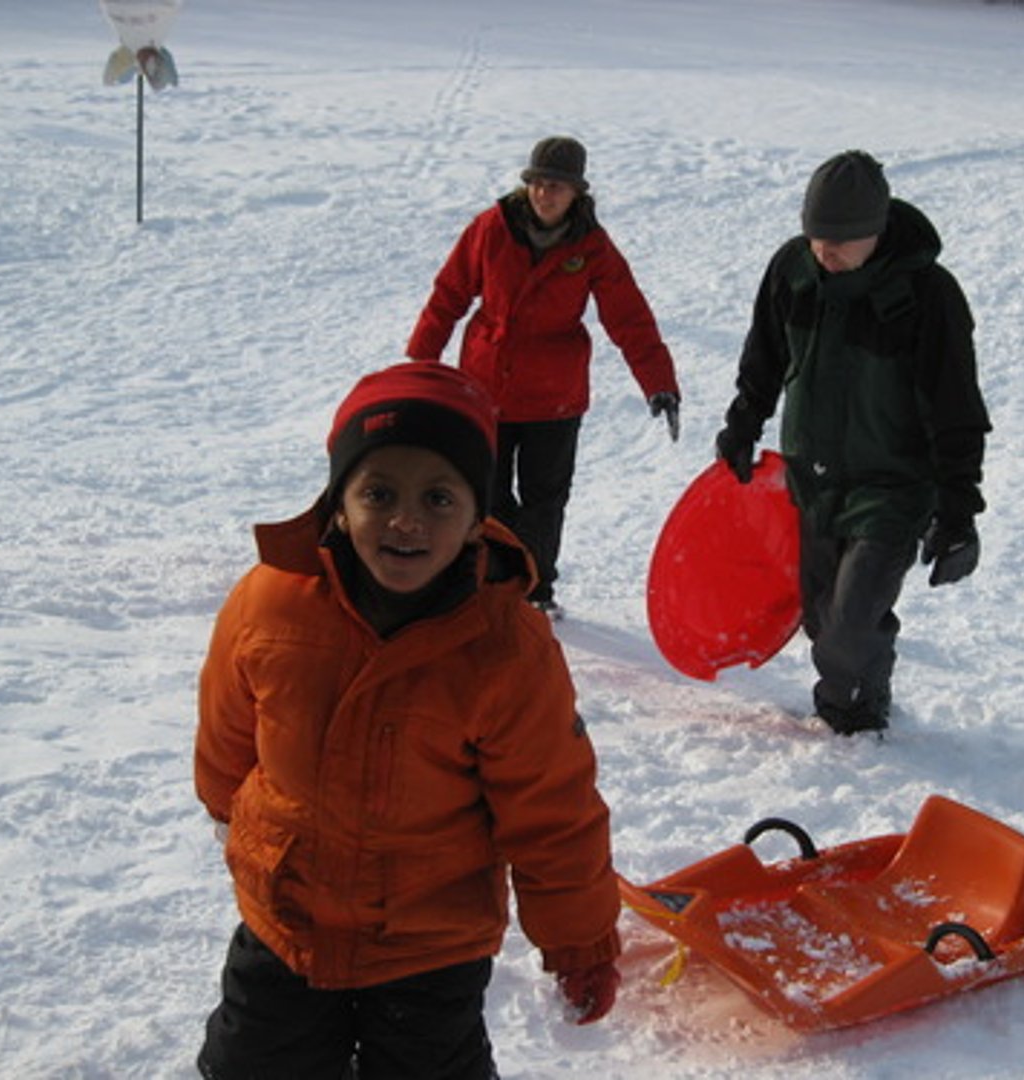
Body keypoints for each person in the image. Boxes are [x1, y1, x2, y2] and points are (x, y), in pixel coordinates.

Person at [194, 363, 621, 1079]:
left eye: (439, 497)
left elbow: (553, 809)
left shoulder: (505, 646)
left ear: (477, 516)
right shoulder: (271, 602)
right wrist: (226, 811)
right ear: (337, 503)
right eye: (379, 493)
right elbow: (227, 727)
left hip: (429, 940)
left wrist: (579, 943)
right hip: (287, 917)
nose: (407, 519)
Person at [715, 150, 992, 736]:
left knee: (850, 623)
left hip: (892, 484)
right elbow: (764, 356)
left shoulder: (928, 296)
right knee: (820, 617)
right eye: (816, 237)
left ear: (878, 230)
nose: (824, 252)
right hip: (813, 476)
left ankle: (857, 721)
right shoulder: (793, 270)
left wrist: (958, 511)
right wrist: (744, 423)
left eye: (840, 241)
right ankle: (854, 691)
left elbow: (956, 409)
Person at [406, 135, 681, 618]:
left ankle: (536, 589)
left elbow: (629, 316)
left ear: (577, 193)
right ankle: (495, 577)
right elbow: (448, 295)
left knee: (545, 500)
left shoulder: (592, 246)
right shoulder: (491, 228)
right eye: (537, 183)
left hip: (555, 396)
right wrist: (420, 367)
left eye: (556, 187)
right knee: (483, 492)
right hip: (486, 386)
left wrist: (658, 381)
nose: (544, 194)